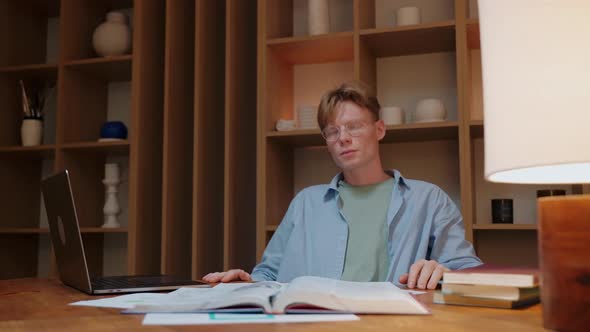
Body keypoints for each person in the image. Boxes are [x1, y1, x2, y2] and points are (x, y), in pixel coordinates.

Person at [203, 81, 482, 289]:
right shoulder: (305, 202)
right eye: (333, 131)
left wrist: (445, 272)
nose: (343, 138)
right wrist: (244, 282)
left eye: (354, 126)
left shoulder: (428, 199)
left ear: (380, 129)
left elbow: (471, 272)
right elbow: (269, 275)